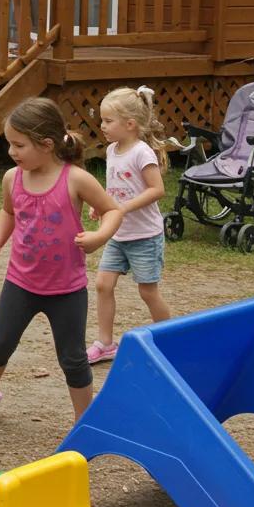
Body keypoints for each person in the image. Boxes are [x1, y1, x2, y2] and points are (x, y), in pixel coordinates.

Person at [0, 97, 123, 428]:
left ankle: (85, 422)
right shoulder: (13, 178)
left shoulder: (75, 179)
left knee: (74, 359)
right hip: (20, 282)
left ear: (47, 144)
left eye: (19, 145)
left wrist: (99, 237)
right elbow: (8, 212)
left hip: (67, 289)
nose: (12, 152)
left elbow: (113, 210)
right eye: (10, 144)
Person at [87, 86, 172, 364]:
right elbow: (115, 187)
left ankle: (169, 339)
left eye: (108, 121)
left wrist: (122, 208)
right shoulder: (112, 150)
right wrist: (101, 205)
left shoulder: (141, 152)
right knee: (102, 284)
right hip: (118, 234)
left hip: (145, 236)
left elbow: (156, 190)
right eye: (102, 120)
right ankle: (105, 343)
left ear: (130, 124)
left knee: (147, 291)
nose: (102, 126)